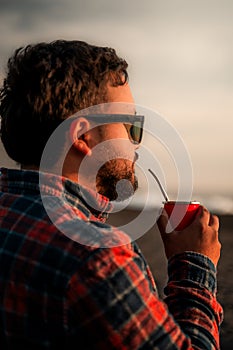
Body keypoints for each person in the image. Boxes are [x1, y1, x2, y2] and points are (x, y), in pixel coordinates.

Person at [0, 40, 223, 349]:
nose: (136, 143)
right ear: (82, 136)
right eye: (131, 125)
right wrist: (194, 262)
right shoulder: (97, 256)